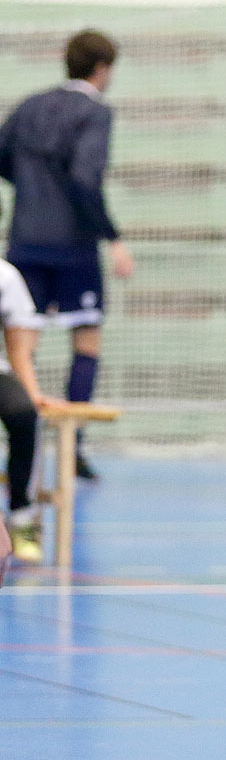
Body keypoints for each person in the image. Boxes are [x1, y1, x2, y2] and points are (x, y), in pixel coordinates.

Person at [0, 29, 135, 483]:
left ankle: (24, 441)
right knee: (86, 339)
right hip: (73, 244)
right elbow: (84, 177)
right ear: (103, 69)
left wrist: (35, 194)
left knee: (23, 343)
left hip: (24, 240)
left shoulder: (29, 106)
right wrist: (112, 237)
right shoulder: (95, 112)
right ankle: (71, 448)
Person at [0, 257, 59, 565]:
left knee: (24, 413)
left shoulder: (5, 277)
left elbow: (17, 346)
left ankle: (22, 515)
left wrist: (32, 394)